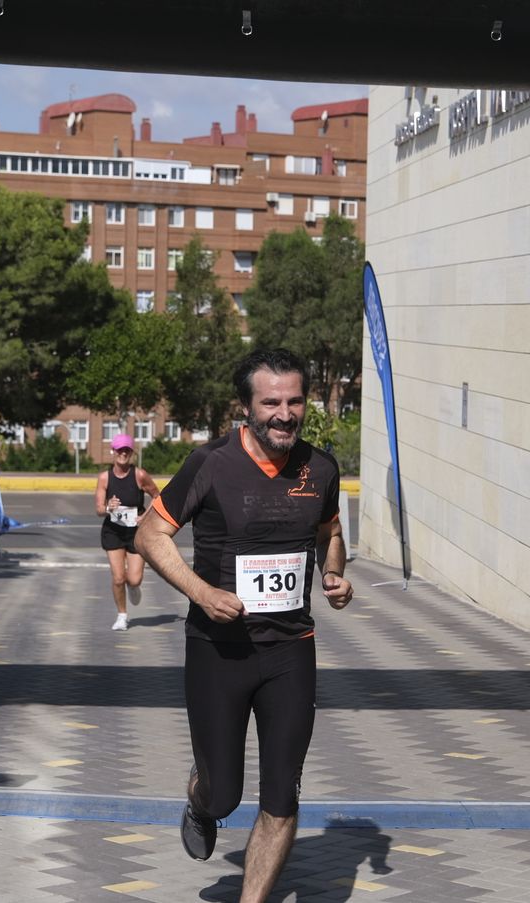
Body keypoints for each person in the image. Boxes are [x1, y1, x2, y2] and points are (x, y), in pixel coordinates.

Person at [136, 349, 352, 903]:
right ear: (247, 406)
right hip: (218, 650)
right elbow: (149, 536)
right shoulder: (210, 463)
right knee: (225, 793)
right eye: (272, 402)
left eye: (295, 400)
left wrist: (333, 575)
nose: (285, 413)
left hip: (290, 650)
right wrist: (202, 593)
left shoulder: (321, 468)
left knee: (282, 795)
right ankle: (200, 797)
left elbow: (330, 534)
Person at [95, 433, 161, 630]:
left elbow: (157, 496)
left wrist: (145, 516)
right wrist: (109, 507)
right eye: (119, 450)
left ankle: (133, 587)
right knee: (118, 577)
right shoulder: (104, 477)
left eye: (127, 450)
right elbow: (99, 509)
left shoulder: (139, 475)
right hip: (113, 532)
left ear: (131, 453)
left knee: (134, 579)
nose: (123, 453)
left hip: (135, 533)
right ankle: (122, 616)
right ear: (112, 452)